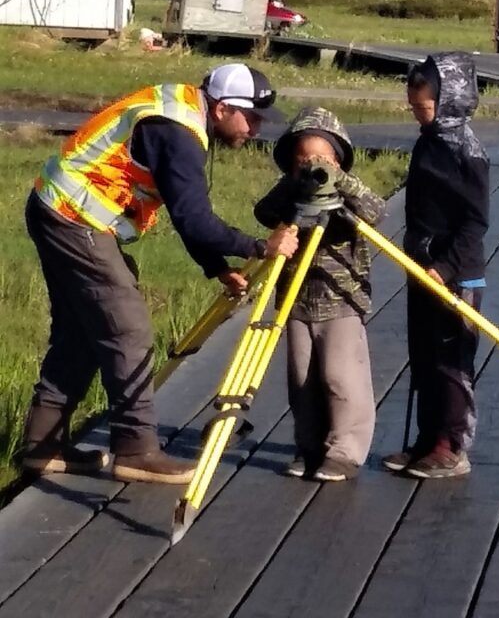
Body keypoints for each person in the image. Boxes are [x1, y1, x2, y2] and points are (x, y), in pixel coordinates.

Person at [22, 63, 299, 484]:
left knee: (79, 332)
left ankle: (43, 447)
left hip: (58, 208)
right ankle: (135, 451)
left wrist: (216, 267)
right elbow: (194, 219)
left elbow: (180, 209)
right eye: (252, 118)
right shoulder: (179, 134)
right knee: (128, 332)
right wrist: (261, 247)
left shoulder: (183, 112)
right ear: (223, 109)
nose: (256, 129)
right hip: (74, 218)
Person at [254, 106, 385, 482]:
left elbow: (376, 212)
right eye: (303, 159)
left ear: (339, 160)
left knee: (340, 377)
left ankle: (345, 450)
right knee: (303, 379)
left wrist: (340, 182)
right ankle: (309, 447)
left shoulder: (349, 194)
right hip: (296, 299)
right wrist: (295, 184)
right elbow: (264, 212)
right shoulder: (291, 191)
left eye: (323, 159)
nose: (314, 166)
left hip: (340, 297)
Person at [384, 52, 490, 479]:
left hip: (456, 273)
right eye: (413, 107)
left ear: (448, 100)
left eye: (422, 107)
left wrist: (445, 269)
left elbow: (475, 223)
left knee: (451, 360)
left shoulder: (468, 153)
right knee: (423, 355)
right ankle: (427, 440)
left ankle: (451, 445)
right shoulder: (430, 139)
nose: (417, 115)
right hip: (420, 264)